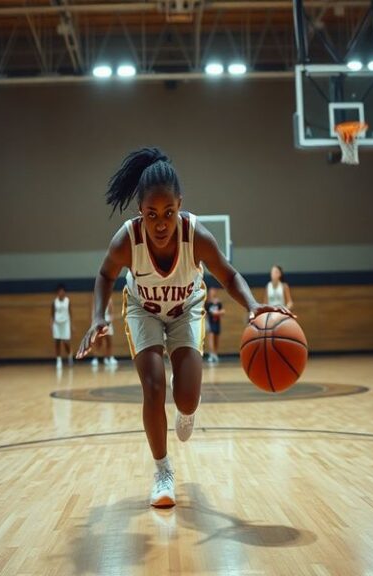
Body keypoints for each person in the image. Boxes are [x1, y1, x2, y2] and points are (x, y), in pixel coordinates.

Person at [75, 147, 293, 508]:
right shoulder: (127, 240)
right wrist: (99, 316)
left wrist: (253, 306)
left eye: (169, 213)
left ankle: (186, 411)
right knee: (154, 385)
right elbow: (104, 275)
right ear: (139, 212)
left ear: (180, 204)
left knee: (187, 396)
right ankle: (162, 471)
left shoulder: (197, 237)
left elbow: (228, 274)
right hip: (142, 309)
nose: (160, 223)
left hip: (185, 309)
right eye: (151, 214)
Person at [91, 296, 118, 367]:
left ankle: (109, 358)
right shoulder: (96, 299)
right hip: (99, 321)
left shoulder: (109, 300)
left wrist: (109, 321)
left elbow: (112, 313)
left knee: (109, 341)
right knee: (98, 342)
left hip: (107, 321)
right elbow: (94, 312)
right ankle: (95, 358)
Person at [52, 284, 73, 369]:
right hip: (57, 324)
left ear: (64, 292)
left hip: (66, 323)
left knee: (66, 342)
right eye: (59, 291)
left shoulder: (68, 301)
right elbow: (52, 314)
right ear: (57, 293)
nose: (61, 293)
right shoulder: (54, 302)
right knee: (57, 342)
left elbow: (70, 313)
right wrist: (51, 323)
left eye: (62, 291)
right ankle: (59, 360)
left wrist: (72, 325)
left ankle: (70, 356)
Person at [204, 287, 224, 363]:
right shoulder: (208, 303)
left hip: (217, 322)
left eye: (215, 291)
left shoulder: (218, 302)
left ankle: (215, 353)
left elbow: (222, 311)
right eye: (212, 291)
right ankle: (211, 354)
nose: (214, 292)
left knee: (216, 338)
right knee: (211, 337)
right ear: (210, 292)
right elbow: (208, 313)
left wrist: (218, 313)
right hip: (210, 322)